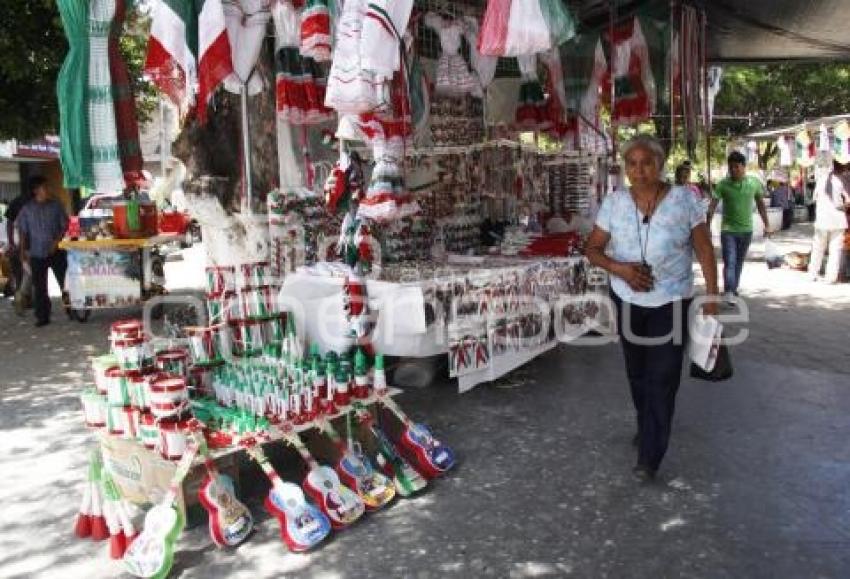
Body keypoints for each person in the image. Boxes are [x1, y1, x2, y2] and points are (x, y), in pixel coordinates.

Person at [585, 135, 719, 482]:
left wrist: (713, 297)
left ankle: (650, 456)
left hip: (671, 300)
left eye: (646, 163)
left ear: (660, 165)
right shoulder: (613, 203)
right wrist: (622, 270)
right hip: (627, 299)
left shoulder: (684, 200)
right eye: (632, 164)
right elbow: (593, 249)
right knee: (637, 372)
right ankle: (647, 423)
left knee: (663, 376)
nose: (639, 170)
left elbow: (704, 249)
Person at [707, 151, 771, 304]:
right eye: (731, 167)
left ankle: (733, 288)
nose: (733, 170)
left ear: (744, 167)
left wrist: (767, 225)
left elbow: (761, 206)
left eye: (736, 167)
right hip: (728, 231)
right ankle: (729, 291)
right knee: (730, 261)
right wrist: (707, 227)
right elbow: (712, 207)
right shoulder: (723, 184)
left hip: (746, 231)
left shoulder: (753, 183)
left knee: (739, 262)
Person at [16, 176, 69, 327]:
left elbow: (64, 226)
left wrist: (56, 241)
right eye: (44, 188)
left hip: (56, 250)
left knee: (65, 282)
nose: (47, 190)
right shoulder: (27, 209)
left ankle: (71, 309)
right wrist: (22, 252)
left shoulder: (56, 206)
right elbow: (23, 232)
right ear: (36, 191)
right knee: (40, 286)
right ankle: (42, 316)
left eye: (47, 187)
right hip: (36, 252)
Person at [809, 161, 850, 283]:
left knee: (818, 247)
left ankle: (812, 273)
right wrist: (843, 206)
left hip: (822, 218)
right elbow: (848, 201)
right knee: (835, 249)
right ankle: (830, 277)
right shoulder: (844, 181)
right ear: (844, 166)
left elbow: (815, 197)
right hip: (837, 219)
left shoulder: (822, 178)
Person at [4, 185, 34, 312]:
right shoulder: (30, 203)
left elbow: (9, 223)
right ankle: (21, 299)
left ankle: (24, 299)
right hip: (26, 245)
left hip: (18, 244)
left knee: (22, 273)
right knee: (29, 273)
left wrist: (11, 242)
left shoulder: (16, 202)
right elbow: (12, 224)